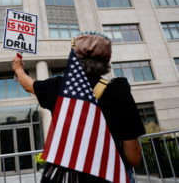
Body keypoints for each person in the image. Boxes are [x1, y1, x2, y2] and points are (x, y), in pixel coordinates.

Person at [12, 32, 146, 183]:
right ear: (106, 60)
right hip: (110, 176)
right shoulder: (118, 92)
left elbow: (29, 85)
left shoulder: (59, 87)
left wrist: (18, 69)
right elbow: (133, 157)